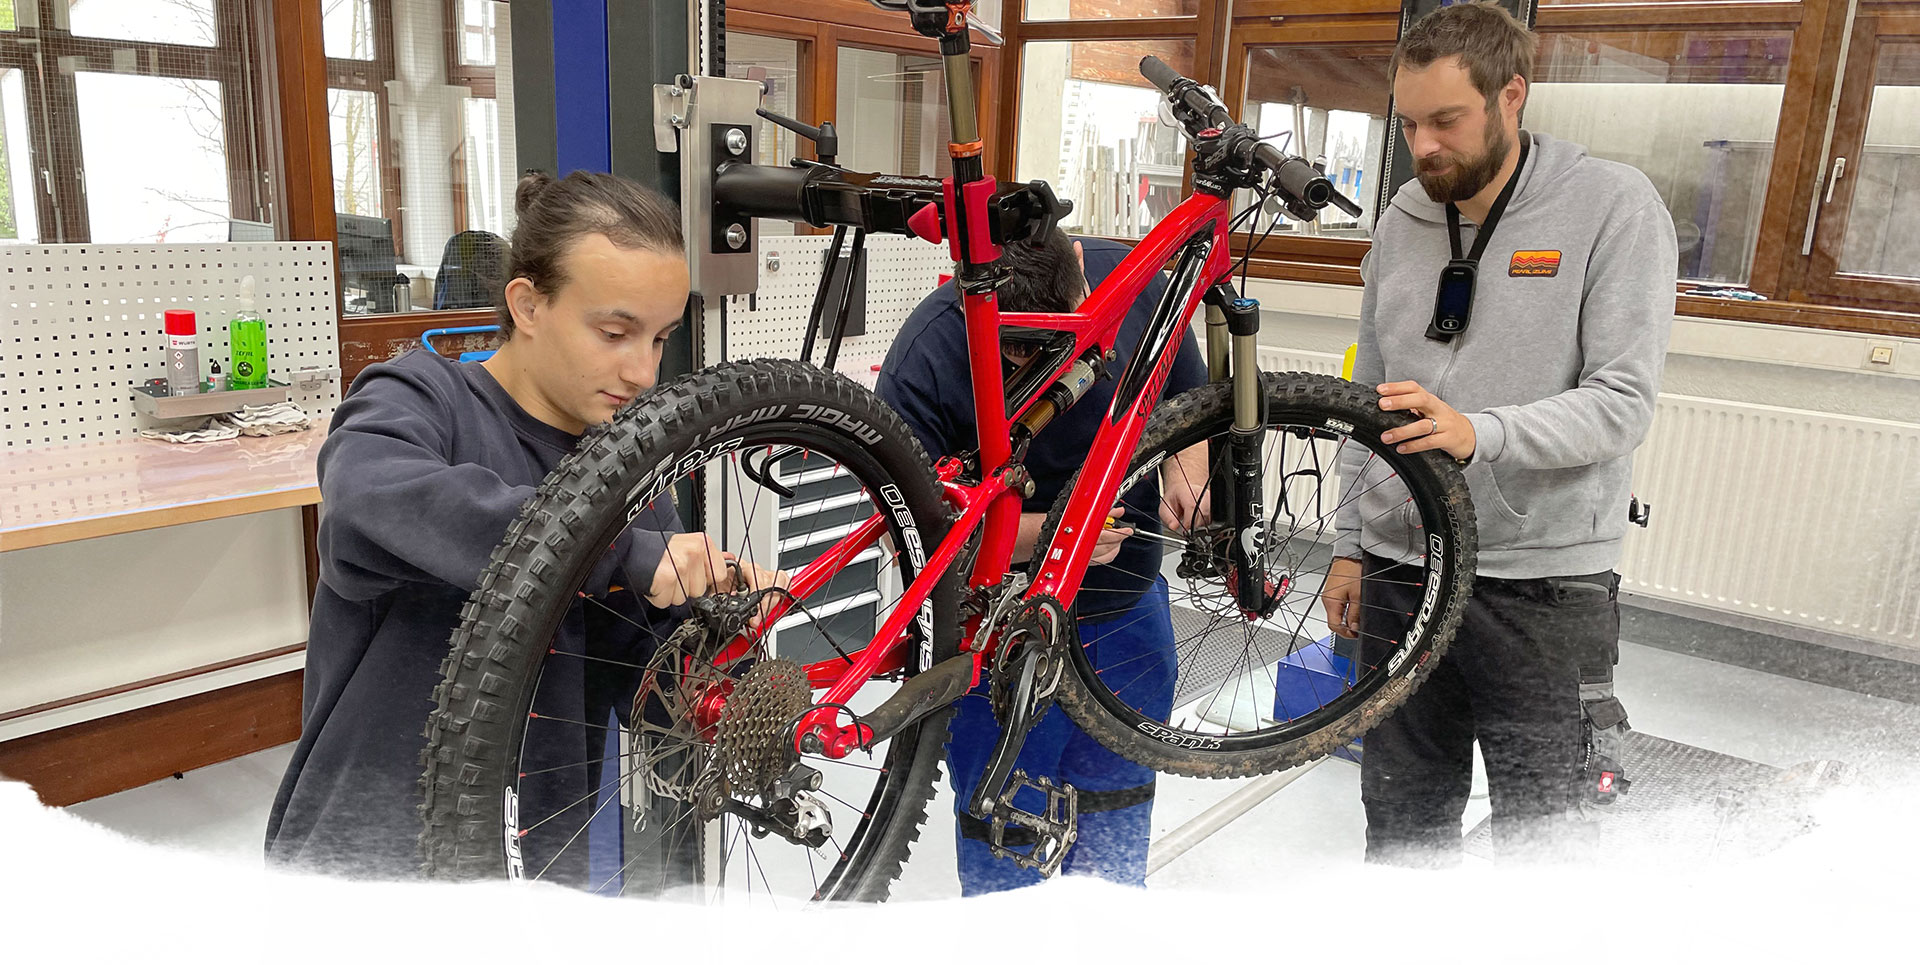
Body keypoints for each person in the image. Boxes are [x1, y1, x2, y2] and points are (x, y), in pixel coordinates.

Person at [266, 170, 775, 882]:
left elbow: (644, 685)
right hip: (371, 856)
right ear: (528, 303)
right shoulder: (423, 397)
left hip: (529, 862)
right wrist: (620, 553)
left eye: (659, 338)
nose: (642, 371)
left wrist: (724, 659)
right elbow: (364, 501)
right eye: (615, 331)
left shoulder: (627, 470)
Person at [1319, 1, 1676, 866]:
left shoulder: (1611, 208)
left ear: (1512, 96)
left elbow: (1622, 400)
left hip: (1542, 590)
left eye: (1447, 120)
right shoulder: (1404, 215)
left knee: (1547, 845)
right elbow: (1365, 395)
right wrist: (1351, 543)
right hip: (1407, 575)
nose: (1424, 146)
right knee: (1402, 833)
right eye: (1408, 123)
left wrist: (1478, 433)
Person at [877, 228, 1209, 893]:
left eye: (1058, 346)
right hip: (996, 624)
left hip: (1126, 611)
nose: (1041, 370)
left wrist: (1188, 465)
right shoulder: (927, 356)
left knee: (1117, 817)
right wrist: (1055, 536)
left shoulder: (1142, 285)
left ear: (1081, 271)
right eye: (1015, 355)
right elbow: (902, 537)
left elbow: (1188, 397)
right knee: (1004, 838)